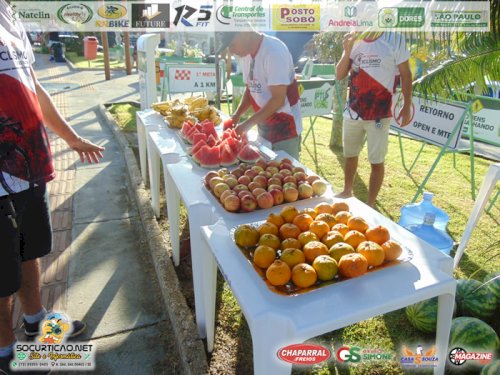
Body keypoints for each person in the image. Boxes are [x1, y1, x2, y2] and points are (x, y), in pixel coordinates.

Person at [0, 0, 105, 373]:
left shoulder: (9, 15)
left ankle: (35, 318)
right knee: (1, 271)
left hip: (29, 165)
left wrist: (72, 138)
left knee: (32, 249)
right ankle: (5, 352)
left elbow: (34, 85)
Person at [335, 31, 412, 207]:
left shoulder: (394, 37)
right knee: (350, 154)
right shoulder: (353, 39)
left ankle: (370, 204)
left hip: (379, 114)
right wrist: (347, 51)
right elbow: (339, 75)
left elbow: (406, 73)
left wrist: (406, 105)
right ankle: (347, 191)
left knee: (376, 161)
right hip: (353, 111)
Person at [216, 29, 302, 160]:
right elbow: (250, 89)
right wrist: (237, 114)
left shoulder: (274, 52)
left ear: (244, 33)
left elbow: (278, 99)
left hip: (285, 129)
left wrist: (246, 125)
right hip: (263, 127)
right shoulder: (246, 55)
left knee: (285, 173)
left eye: (232, 44)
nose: (231, 51)